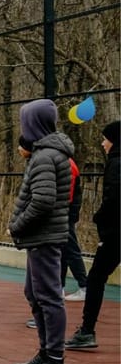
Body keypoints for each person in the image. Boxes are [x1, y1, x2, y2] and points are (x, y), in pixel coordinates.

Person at [9, 99, 74, 364]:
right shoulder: (46, 153)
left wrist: (17, 226)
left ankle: (54, 359)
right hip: (41, 236)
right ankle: (47, 352)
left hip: (44, 236)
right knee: (35, 293)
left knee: (48, 297)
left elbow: (43, 201)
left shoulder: (45, 156)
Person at [65, 120, 120, 350]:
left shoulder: (116, 163)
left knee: (96, 277)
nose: (103, 143)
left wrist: (100, 218)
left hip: (115, 232)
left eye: (105, 139)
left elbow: (114, 197)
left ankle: (87, 331)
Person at [60, 156, 89, 301]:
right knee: (63, 251)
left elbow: (68, 194)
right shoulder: (66, 162)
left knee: (70, 250)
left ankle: (84, 286)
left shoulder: (67, 164)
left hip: (66, 213)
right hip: (66, 212)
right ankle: (59, 286)